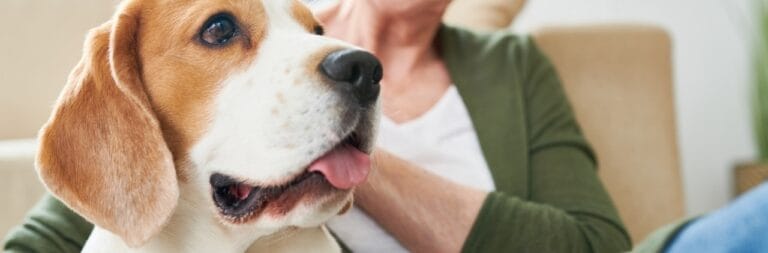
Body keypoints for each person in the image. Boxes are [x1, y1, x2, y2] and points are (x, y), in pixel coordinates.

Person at [3, 0, 632, 252]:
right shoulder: (286, 15)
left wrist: (339, 151)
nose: (306, 47)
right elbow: (112, 193)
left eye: (310, 37)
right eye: (221, 31)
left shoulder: (512, 64)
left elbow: (599, 246)